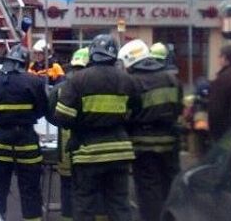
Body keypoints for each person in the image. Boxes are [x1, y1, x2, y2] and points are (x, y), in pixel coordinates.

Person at [53, 34, 140, 221]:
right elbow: (136, 112)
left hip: (87, 153)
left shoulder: (78, 80)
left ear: (92, 53)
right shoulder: (127, 80)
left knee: (85, 206)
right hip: (120, 152)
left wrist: (81, 126)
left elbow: (62, 116)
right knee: (120, 204)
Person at [118, 39, 183, 221]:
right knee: (169, 185)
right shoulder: (171, 79)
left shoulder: (132, 83)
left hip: (143, 145)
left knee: (149, 190)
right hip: (170, 142)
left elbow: (127, 113)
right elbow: (179, 108)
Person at [0, 44, 47, 220]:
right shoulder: (34, 82)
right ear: (24, 63)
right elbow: (42, 110)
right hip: (26, 142)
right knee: (30, 190)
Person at [46, 47, 93, 221]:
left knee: (67, 186)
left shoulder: (59, 88)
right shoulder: (93, 85)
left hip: (65, 146)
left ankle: (68, 217)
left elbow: (50, 113)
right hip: (90, 145)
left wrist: (61, 126)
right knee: (88, 187)